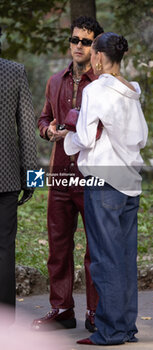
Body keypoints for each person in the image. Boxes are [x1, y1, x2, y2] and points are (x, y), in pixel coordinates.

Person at [64, 32, 148, 345]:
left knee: (104, 258)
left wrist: (67, 136)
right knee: (125, 258)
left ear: (98, 56)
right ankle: (126, 328)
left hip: (103, 181)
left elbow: (84, 138)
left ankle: (110, 331)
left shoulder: (97, 89)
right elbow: (141, 138)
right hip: (130, 183)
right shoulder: (131, 90)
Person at [32, 17, 104, 332]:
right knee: (58, 246)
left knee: (96, 249)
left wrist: (78, 132)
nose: (78, 46)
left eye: (85, 42)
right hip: (60, 174)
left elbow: (108, 128)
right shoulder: (54, 80)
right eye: (75, 40)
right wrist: (47, 129)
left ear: (96, 45)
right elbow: (44, 117)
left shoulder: (104, 84)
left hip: (91, 176)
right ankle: (61, 310)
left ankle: (95, 313)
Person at [0, 27, 37, 318]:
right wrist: (31, 177)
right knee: (4, 250)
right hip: (7, 179)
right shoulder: (15, 72)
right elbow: (27, 128)